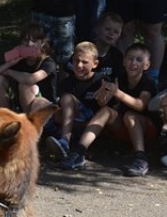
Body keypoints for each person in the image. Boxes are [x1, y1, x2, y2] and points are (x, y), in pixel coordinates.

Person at [59, 42, 157, 176]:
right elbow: (105, 103)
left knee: (130, 115)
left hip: (147, 130)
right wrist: (102, 97)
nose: (133, 62)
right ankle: (79, 152)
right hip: (123, 128)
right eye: (130, 58)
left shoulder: (148, 82)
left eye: (139, 60)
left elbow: (140, 105)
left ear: (147, 65)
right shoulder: (118, 79)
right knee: (106, 111)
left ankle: (141, 159)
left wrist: (117, 93)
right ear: (124, 61)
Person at [45, 41, 104, 160]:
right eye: (76, 60)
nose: (79, 65)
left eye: (84, 62)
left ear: (95, 63)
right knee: (43, 108)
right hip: (72, 121)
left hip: (93, 123)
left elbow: (104, 109)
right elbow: (59, 113)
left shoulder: (101, 81)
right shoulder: (67, 83)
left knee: (67, 98)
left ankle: (65, 140)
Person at [0, 22, 57, 113]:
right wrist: (9, 63)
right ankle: (5, 120)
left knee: (24, 85)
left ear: (42, 43)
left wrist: (9, 72)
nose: (29, 44)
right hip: (20, 106)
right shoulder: (19, 61)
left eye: (34, 41)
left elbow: (30, 79)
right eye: (26, 40)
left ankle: (30, 124)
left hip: (46, 108)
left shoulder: (48, 63)